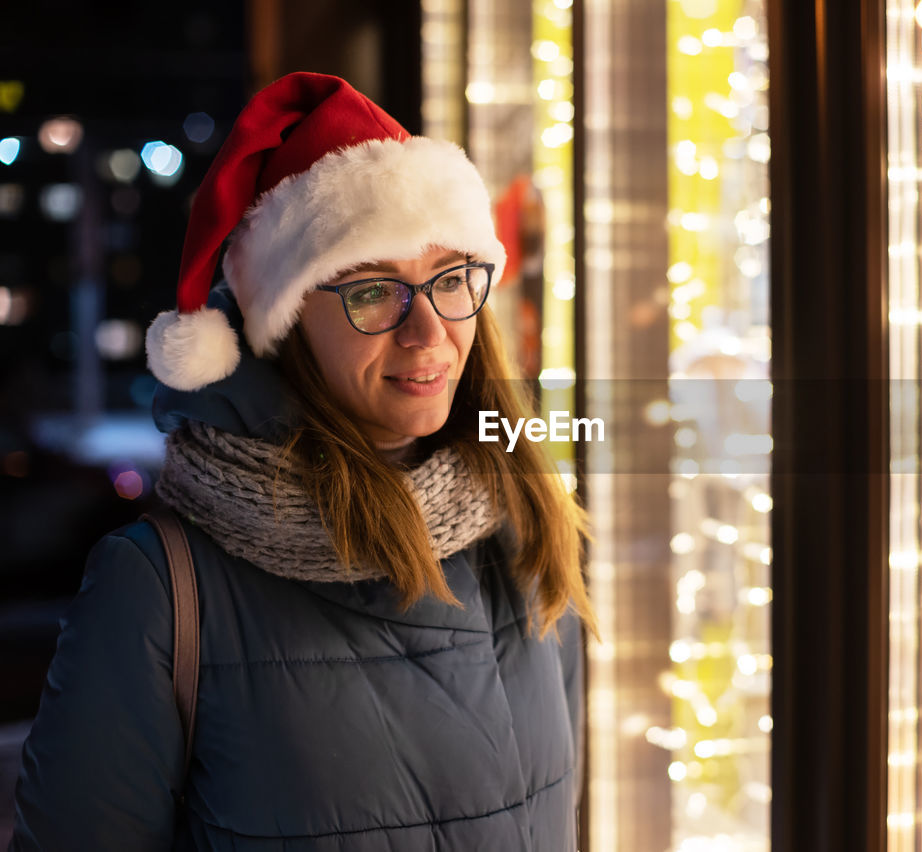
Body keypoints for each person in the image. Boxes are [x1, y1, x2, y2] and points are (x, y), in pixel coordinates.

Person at [8, 72, 596, 851]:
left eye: (451, 279)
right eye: (374, 292)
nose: (428, 334)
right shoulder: (159, 590)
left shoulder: (526, 527)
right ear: (281, 326)